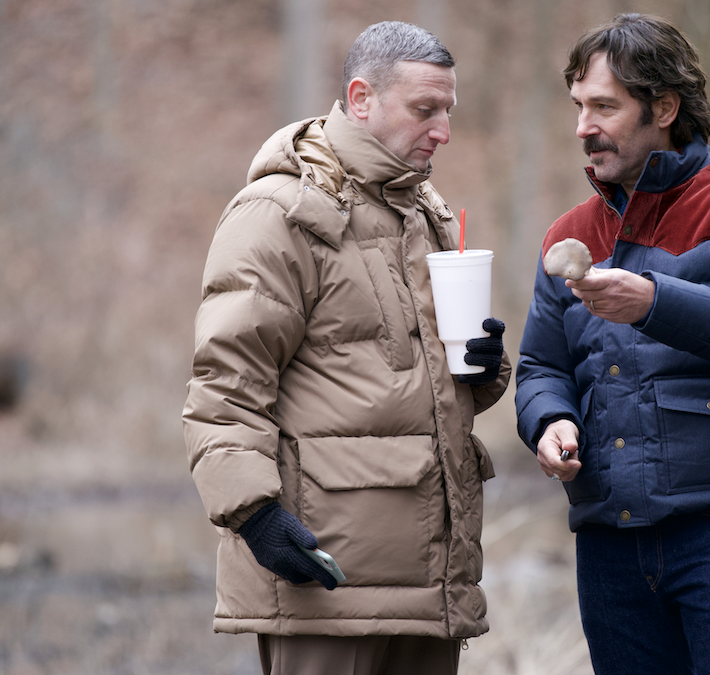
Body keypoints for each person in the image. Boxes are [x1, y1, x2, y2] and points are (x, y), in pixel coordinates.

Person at [183, 21, 510, 675]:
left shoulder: (429, 213)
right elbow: (225, 385)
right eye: (425, 109)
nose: (442, 130)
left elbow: (429, 388)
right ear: (361, 99)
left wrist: (483, 364)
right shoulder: (278, 216)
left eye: (448, 110)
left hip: (431, 589)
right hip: (324, 581)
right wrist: (254, 515)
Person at [515, 13, 710, 675]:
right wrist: (549, 418)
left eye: (604, 106)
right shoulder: (567, 232)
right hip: (608, 540)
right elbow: (541, 365)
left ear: (664, 108)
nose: (583, 126)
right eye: (578, 107)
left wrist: (653, 302)